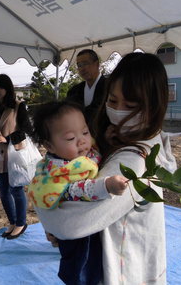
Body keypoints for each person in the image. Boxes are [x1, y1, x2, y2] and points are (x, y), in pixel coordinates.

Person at [35, 52, 177, 284]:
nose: (118, 110)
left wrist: (48, 215)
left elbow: (72, 222)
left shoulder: (133, 161)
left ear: (154, 105)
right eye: (112, 101)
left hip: (120, 264)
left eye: (130, 105)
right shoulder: (125, 137)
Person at [28, 101, 127, 285]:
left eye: (85, 132)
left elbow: (95, 152)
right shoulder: (61, 170)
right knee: (81, 271)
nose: (82, 141)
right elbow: (76, 190)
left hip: (84, 228)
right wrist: (106, 186)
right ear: (49, 146)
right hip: (77, 235)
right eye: (70, 138)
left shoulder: (76, 154)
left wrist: (107, 137)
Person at [0, 74, 32, 240]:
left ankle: (21, 223)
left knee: (16, 189)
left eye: (0, 87)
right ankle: (12, 222)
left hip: (14, 153)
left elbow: (26, 130)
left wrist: (7, 138)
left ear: (7, 88)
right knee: (3, 192)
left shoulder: (18, 106)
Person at [66, 49, 107, 128]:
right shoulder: (74, 91)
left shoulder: (109, 86)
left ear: (97, 64)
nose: (82, 69)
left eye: (85, 64)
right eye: (79, 65)